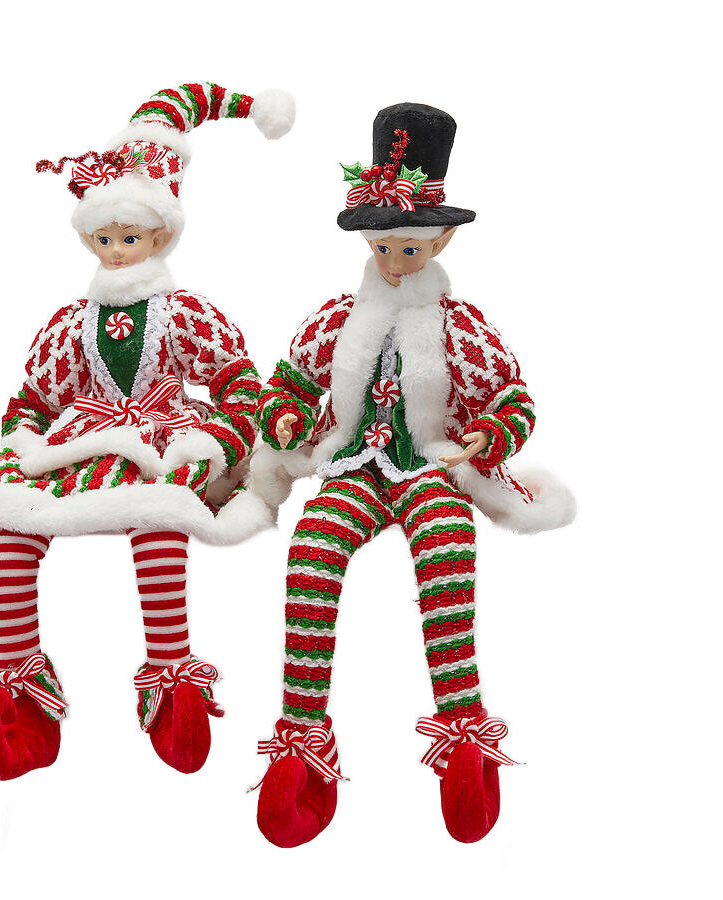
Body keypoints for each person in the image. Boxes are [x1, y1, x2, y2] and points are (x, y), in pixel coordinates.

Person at [249, 103, 575, 845]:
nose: (394, 263)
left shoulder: (462, 326)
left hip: (430, 467)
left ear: (441, 240)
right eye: (383, 248)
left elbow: (514, 398)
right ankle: (302, 731)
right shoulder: (337, 318)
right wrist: (288, 417)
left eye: (409, 249)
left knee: (447, 548)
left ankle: (463, 727)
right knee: (312, 550)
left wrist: (486, 435)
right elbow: (290, 380)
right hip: (353, 467)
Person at [0, 81, 295, 780]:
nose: (116, 252)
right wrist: (20, 447)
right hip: (88, 443)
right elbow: (32, 400)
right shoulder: (69, 324)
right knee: (9, 525)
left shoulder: (187, 314)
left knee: (160, 519)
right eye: (104, 238)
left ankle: (171, 672)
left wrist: (216, 445)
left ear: (160, 235)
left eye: (130, 237)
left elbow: (239, 387)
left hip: (164, 443)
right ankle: (19, 675)